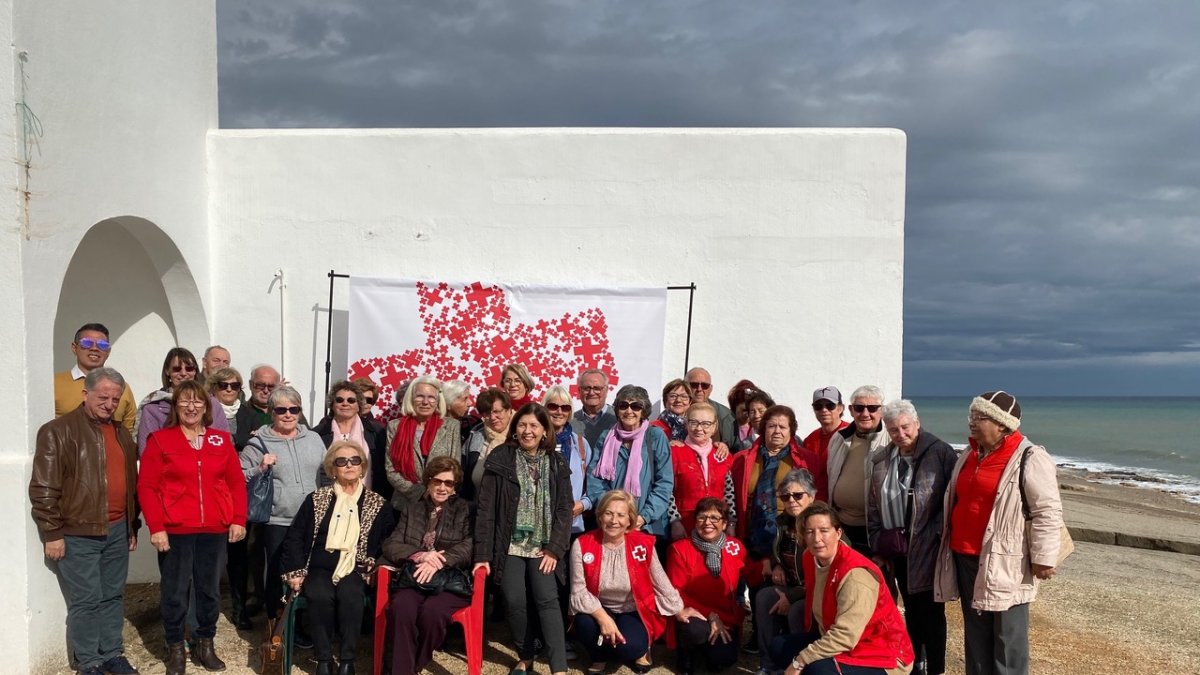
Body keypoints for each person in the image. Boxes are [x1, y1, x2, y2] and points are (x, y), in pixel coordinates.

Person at [933, 392, 1064, 675]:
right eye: (972, 416)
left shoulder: (1029, 457)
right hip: (965, 556)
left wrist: (1044, 557)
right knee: (976, 635)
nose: (972, 423)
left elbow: (1047, 511)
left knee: (1008, 640)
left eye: (980, 418)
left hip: (1006, 560)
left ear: (1003, 425)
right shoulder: (970, 453)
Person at [30, 367, 141, 675]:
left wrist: (132, 525)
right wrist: (52, 532)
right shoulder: (58, 431)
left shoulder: (121, 432)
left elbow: (131, 482)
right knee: (86, 600)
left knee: (112, 595)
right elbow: (43, 486)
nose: (109, 404)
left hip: (117, 529)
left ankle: (112, 654)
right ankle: (89, 661)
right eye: (103, 396)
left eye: (115, 399)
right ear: (85, 394)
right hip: (79, 531)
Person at [139, 379, 247, 675]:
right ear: (175, 406)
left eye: (197, 401)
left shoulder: (219, 440)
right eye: (184, 401)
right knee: (175, 591)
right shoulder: (161, 440)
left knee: (209, 589)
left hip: (213, 529)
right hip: (176, 529)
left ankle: (205, 643)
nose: (191, 406)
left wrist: (238, 518)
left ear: (206, 407)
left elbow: (236, 482)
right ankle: (176, 646)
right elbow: (147, 486)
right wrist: (156, 527)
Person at [473, 403, 574, 675]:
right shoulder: (500, 457)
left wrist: (554, 549)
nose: (528, 431)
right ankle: (526, 655)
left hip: (543, 546)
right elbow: (485, 511)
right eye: (522, 425)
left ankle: (559, 668)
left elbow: (565, 509)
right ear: (515, 428)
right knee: (514, 600)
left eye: (534, 426)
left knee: (547, 599)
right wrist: (483, 555)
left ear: (544, 430)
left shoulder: (556, 462)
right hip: (509, 544)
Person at [281, 440, 392, 675]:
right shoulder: (317, 499)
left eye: (355, 460)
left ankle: (347, 660)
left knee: (351, 595)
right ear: (333, 468)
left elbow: (386, 543)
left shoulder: (378, 503)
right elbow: (295, 537)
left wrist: (374, 569)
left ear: (362, 466)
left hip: (357, 568)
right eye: (342, 461)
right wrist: (296, 572)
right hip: (318, 566)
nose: (349, 465)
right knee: (319, 595)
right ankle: (323, 659)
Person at [570, 489, 705, 674]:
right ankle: (599, 656)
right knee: (584, 624)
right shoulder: (583, 543)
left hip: (633, 609)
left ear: (629, 520)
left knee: (631, 647)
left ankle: (638, 647)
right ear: (600, 516)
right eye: (608, 513)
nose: (614, 520)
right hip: (598, 607)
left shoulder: (642, 543)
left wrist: (679, 609)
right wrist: (603, 618)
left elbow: (660, 581)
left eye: (620, 515)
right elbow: (578, 591)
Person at [867, 400, 956, 675]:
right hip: (898, 550)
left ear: (917, 423)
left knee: (931, 613)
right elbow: (872, 505)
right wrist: (878, 543)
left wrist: (936, 534)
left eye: (905, 427)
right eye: (893, 430)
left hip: (929, 549)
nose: (900, 434)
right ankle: (914, 663)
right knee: (910, 610)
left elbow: (953, 500)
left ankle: (936, 668)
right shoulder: (883, 458)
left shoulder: (940, 453)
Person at [732, 405, 823, 667]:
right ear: (763, 428)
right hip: (754, 533)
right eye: (772, 425)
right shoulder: (745, 458)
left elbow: (816, 497)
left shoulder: (806, 459)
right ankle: (763, 646)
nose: (777, 431)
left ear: (792, 430)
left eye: (783, 426)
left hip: (789, 536)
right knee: (760, 588)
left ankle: (792, 652)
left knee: (791, 589)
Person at [781, 502, 914, 675]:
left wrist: (801, 661)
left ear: (838, 533)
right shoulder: (810, 558)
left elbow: (845, 636)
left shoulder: (855, 575)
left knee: (816, 670)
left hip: (879, 652)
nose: (817, 538)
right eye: (809, 532)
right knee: (780, 647)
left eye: (824, 530)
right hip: (841, 637)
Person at [240, 385, 327, 617]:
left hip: (312, 519)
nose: (288, 414)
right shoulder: (258, 443)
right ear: (271, 412)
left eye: (294, 409)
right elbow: (238, 477)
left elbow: (327, 471)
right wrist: (260, 468)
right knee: (278, 572)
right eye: (281, 410)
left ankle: (301, 621)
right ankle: (275, 621)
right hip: (278, 520)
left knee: (308, 572)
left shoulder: (314, 438)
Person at [382, 456, 473, 675]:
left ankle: (412, 665)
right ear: (428, 482)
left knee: (432, 613)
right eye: (437, 481)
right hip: (415, 577)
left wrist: (440, 560)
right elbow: (391, 544)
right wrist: (420, 555)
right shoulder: (413, 508)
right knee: (401, 608)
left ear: (455, 486)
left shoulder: (465, 509)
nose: (442, 487)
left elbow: (470, 545)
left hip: (450, 579)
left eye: (448, 483)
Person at [667, 497, 747, 674]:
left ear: (724, 524)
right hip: (694, 614)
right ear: (695, 522)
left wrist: (767, 563)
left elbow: (751, 573)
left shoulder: (735, 547)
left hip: (726, 618)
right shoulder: (680, 549)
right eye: (702, 517)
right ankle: (686, 656)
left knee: (725, 658)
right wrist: (710, 615)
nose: (707, 522)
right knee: (694, 630)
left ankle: (709, 653)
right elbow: (675, 591)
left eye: (714, 518)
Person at [585, 385, 674, 537]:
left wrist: (643, 517)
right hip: (612, 524)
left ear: (643, 410)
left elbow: (664, 482)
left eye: (636, 406)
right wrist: (611, 512)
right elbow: (595, 480)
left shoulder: (655, 436)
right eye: (623, 405)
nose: (629, 411)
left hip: (646, 525)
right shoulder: (606, 437)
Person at [757, 469, 817, 671]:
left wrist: (790, 597)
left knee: (797, 611)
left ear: (812, 496)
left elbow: (821, 576)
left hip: (814, 591)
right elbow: (776, 548)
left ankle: (801, 666)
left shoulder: (821, 525)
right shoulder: (782, 523)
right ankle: (768, 664)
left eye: (798, 495)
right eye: (785, 496)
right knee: (764, 597)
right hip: (791, 586)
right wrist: (776, 564)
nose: (791, 501)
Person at [826, 385, 890, 554]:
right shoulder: (838, 437)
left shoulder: (891, 440)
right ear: (851, 410)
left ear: (881, 411)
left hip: (875, 530)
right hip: (841, 526)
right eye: (859, 408)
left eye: (872, 408)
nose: (865, 414)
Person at [385, 375, 462, 507]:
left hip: (441, 502)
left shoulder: (451, 426)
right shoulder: (394, 427)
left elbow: (455, 466)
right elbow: (391, 470)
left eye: (431, 397)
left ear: (438, 400)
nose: (425, 402)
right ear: (411, 398)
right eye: (420, 396)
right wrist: (420, 492)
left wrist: (435, 491)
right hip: (405, 503)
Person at [136, 347, 229, 454]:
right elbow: (147, 453)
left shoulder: (212, 403)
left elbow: (226, 444)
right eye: (177, 369)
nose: (184, 373)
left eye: (189, 369)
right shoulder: (153, 408)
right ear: (167, 371)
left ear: (195, 372)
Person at [668, 402, 736, 541]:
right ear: (686, 424)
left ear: (714, 427)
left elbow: (729, 493)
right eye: (693, 422)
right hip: (685, 524)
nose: (699, 428)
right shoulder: (674, 452)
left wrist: (731, 523)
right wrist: (674, 521)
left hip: (716, 525)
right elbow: (667, 491)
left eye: (706, 424)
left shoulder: (723, 455)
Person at [53, 323, 138, 434]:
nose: (94, 348)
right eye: (86, 343)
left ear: (108, 351)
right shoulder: (54, 384)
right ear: (74, 348)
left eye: (102, 345)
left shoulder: (122, 387)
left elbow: (129, 432)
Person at [313, 380, 388, 498]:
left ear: (359, 405)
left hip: (368, 500)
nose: (345, 403)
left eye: (351, 400)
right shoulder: (317, 434)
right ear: (332, 404)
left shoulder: (376, 432)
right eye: (339, 400)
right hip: (329, 500)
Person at [461, 387, 512, 503]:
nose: (492, 417)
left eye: (497, 411)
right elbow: (463, 472)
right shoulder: (475, 436)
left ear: (509, 410)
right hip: (478, 507)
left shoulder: (520, 436)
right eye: (487, 413)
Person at [684, 367, 736, 447]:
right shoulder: (674, 412)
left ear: (710, 389)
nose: (699, 389)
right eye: (694, 385)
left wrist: (724, 447)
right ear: (685, 386)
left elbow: (734, 448)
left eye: (705, 385)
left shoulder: (725, 415)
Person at [802, 386, 849, 469]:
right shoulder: (809, 441)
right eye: (818, 406)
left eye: (830, 405)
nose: (824, 410)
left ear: (841, 408)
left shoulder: (853, 434)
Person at [571, 368, 616, 449]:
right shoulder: (570, 421)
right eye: (586, 388)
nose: (591, 393)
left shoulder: (619, 418)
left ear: (606, 390)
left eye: (597, 388)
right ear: (579, 390)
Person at [206, 366, 244, 439]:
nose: (229, 389)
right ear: (213, 387)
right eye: (223, 385)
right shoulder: (205, 409)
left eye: (234, 386)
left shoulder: (247, 413)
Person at [650, 378, 692, 442]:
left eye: (683, 396)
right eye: (673, 396)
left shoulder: (694, 428)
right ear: (665, 400)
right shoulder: (653, 427)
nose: (678, 400)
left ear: (690, 402)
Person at [726, 379, 761, 452]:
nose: (748, 414)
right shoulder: (728, 425)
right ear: (735, 406)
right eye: (745, 410)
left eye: (751, 411)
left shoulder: (757, 427)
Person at [443, 379, 479, 445]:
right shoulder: (435, 427)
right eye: (465, 399)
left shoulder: (474, 423)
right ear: (449, 403)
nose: (470, 403)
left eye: (469, 398)